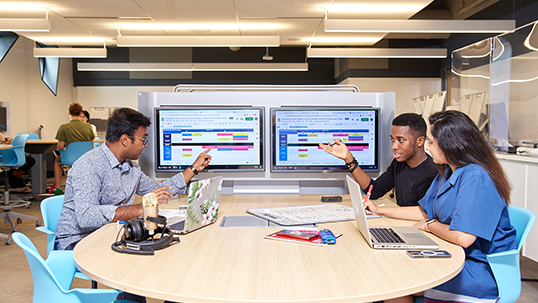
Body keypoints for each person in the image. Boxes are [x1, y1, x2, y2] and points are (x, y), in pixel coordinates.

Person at [364, 110, 517, 303]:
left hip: (476, 269)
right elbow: (424, 210)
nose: (427, 148)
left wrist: (429, 225)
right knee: (390, 269)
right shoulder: (447, 171)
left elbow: (463, 237)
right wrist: (378, 210)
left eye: (431, 142)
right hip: (452, 253)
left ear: (451, 145)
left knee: (394, 280)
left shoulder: (476, 177)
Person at [320, 113, 438, 206]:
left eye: (401, 140)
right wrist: (349, 159)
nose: (394, 146)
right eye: (392, 139)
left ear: (420, 141)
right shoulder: (399, 164)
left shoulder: (432, 173)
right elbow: (374, 191)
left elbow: (423, 214)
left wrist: (379, 210)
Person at [48, 102, 95, 194]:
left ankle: (57, 187)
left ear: (69, 113)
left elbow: (60, 146)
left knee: (57, 160)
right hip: (85, 158)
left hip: (70, 158)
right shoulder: (89, 127)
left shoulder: (63, 127)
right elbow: (91, 143)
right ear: (81, 113)